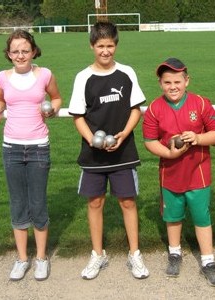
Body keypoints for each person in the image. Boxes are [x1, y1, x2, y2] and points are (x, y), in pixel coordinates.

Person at [67, 21, 149, 280]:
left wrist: (124, 134)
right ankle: (97, 254)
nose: (105, 51)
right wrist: (93, 139)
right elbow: (78, 115)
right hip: (94, 154)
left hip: (124, 151)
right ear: (92, 45)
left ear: (116, 45)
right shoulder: (83, 77)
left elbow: (136, 108)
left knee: (127, 201)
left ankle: (134, 254)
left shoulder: (126, 72)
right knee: (95, 202)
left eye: (110, 45)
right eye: (100, 46)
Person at [0, 29, 62, 281]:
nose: (20, 55)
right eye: (15, 51)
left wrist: (53, 110)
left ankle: (40, 258)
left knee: (38, 203)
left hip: (39, 147)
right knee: (18, 204)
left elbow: (57, 98)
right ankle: (21, 259)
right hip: (12, 149)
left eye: (25, 50)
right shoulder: (2, 78)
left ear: (33, 51)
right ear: (8, 54)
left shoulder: (45, 74)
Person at [142, 57, 215, 287]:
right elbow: (149, 141)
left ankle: (208, 261)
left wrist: (198, 138)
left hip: (198, 173)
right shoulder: (154, 108)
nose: (173, 86)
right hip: (170, 174)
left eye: (177, 81)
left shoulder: (200, 103)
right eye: (167, 82)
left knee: (201, 217)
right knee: (173, 217)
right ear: (160, 83)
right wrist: (169, 154)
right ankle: (175, 253)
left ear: (187, 81)